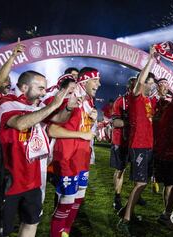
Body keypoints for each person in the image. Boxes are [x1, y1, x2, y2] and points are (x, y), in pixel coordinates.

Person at [0, 70, 72, 237]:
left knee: (31, 222)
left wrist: (68, 107)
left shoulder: (39, 106)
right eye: (41, 88)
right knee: (0, 230)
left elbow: (59, 119)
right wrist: (52, 105)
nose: (44, 92)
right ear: (25, 87)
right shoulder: (6, 103)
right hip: (8, 180)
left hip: (32, 180)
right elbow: (20, 124)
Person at [50, 67, 101, 237]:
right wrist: (82, 134)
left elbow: (85, 128)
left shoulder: (89, 101)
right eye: (95, 80)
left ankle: (66, 232)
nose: (99, 84)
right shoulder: (70, 98)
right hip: (67, 158)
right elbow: (53, 130)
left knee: (78, 198)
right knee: (66, 200)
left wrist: (94, 117)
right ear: (85, 81)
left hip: (82, 157)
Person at [117, 46, 157, 236]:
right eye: (149, 82)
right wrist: (150, 61)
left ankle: (127, 212)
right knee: (140, 183)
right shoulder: (136, 97)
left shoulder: (149, 101)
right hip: (138, 146)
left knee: (143, 184)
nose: (151, 85)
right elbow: (141, 79)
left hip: (148, 146)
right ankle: (125, 220)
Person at [153, 78, 173, 230]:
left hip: (172, 148)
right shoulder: (155, 102)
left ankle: (167, 212)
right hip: (164, 148)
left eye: (166, 84)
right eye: (161, 85)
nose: (164, 87)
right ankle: (167, 214)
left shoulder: (172, 102)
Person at [0, 42, 25, 130]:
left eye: (9, 79)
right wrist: (13, 56)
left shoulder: (11, 97)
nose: (9, 83)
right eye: (5, 80)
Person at [110, 77, 136, 211]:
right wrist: (130, 123)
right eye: (133, 86)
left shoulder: (141, 101)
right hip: (120, 141)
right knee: (120, 170)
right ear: (128, 88)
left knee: (136, 170)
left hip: (135, 141)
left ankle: (137, 196)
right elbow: (114, 122)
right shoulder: (120, 101)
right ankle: (117, 197)